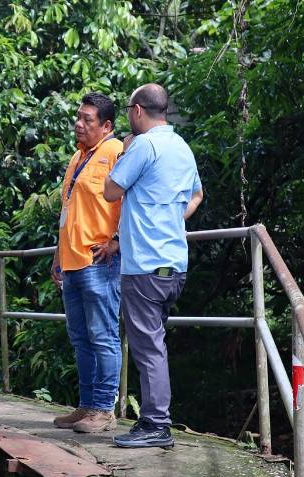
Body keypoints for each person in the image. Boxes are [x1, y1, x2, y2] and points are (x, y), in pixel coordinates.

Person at [103, 83, 204, 448]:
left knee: (148, 348)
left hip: (145, 266)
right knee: (153, 343)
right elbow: (197, 194)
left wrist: (125, 151)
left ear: (138, 111)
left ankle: (157, 425)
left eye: (129, 109)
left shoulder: (144, 145)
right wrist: (173, 218)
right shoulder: (181, 146)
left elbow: (111, 190)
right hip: (174, 264)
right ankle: (151, 421)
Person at [51, 92, 123, 433]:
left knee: (103, 336)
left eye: (87, 120)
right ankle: (87, 406)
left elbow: (133, 201)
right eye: (78, 118)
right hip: (72, 261)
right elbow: (68, 211)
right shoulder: (78, 157)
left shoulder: (116, 152)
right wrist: (57, 256)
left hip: (99, 262)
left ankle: (104, 409)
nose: (79, 124)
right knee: (80, 338)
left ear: (106, 125)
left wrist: (118, 241)